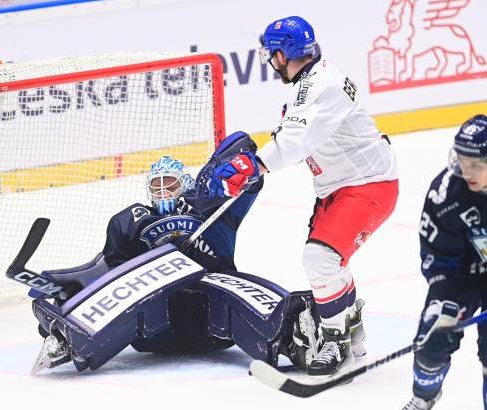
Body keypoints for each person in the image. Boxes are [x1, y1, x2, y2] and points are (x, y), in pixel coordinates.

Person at [27, 131, 322, 374]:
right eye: (157, 185)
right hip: (155, 330)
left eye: (170, 183)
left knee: (229, 290)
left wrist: (244, 164)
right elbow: (111, 272)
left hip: (211, 321)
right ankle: (71, 336)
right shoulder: (130, 221)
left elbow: (249, 181)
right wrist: (74, 289)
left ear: (187, 184)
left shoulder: (210, 206)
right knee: (134, 289)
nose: (163, 191)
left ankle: (291, 333)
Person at [209, 16, 399, 375]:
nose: (270, 60)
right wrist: (259, 162)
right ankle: (350, 322)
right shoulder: (313, 82)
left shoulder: (319, 85)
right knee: (326, 263)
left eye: (272, 53)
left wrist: (254, 165)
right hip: (341, 187)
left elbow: (296, 142)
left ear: (284, 53)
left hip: (367, 184)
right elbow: (302, 137)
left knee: (320, 260)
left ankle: (335, 341)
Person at [401, 114, 487, 410]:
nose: (467, 170)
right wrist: (445, 307)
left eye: (477, 164)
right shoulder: (446, 193)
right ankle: (423, 399)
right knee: (431, 336)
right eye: (463, 160)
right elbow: (436, 258)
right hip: (460, 274)